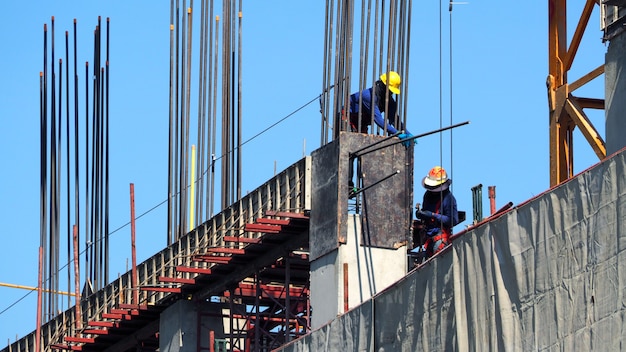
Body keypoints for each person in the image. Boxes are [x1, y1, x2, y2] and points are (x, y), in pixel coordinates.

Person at [348, 71, 414, 145]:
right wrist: (397, 133)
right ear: (383, 86)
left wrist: (407, 133)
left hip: (361, 123)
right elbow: (378, 119)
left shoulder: (388, 101)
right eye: (389, 90)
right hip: (348, 119)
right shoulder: (369, 97)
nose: (390, 93)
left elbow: (394, 119)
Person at [410, 166, 459, 261]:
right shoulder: (428, 195)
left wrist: (433, 215)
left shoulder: (448, 199)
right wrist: (421, 214)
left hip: (440, 240)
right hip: (429, 241)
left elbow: (453, 220)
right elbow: (425, 213)